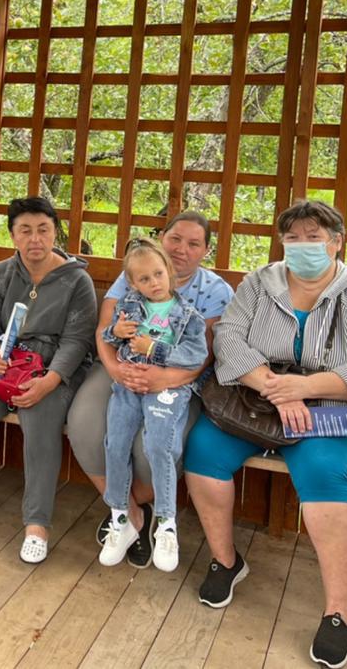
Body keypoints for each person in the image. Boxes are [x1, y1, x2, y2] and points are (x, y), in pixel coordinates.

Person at [183, 200, 347, 669]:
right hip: (258, 399)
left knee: (322, 473)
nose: (303, 247)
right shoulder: (259, 284)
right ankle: (226, 560)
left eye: (314, 237)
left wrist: (306, 386)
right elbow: (230, 340)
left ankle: (339, 609)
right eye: (293, 238)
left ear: (337, 242)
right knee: (201, 451)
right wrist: (276, 388)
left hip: (331, 405)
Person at [66, 210, 233, 567]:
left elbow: (204, 354)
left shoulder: (215, 290)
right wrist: (117, 370)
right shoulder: (135, 275)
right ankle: (128, 516)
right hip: (122, 370)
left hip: (181, 379)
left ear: (205, 250)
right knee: (84, 424)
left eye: (193, 243)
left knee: (153, 447)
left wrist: (165, 378)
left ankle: (138, 514)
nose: (181, 249)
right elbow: (106, 330)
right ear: (162, 238)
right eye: (174, 239)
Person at [0, 196, 96, 564]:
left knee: (40, 416)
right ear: (13, 236)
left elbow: (77, 340)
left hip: (54, 367)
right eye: (25, 231)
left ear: (55, 233)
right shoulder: (1, 275)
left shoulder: (77, 280)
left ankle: (37, 522)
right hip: (5, 364)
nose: (35, 239)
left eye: (43, 230)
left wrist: (51, 380)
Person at [97, 238, 206, 573]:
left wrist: (153, 347)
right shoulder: (129, 305)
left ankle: (166, 523)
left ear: (169, 273)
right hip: (129, 383)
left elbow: (196, 355)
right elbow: (108, 339)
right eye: (144, 279)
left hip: (166, 389)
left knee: (158, 445)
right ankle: (121, 517)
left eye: (158, 274)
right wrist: (115, 330)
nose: (153, 283)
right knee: (115, 442)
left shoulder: (187, 315)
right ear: (133, 283)